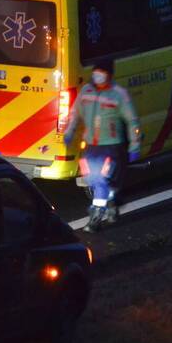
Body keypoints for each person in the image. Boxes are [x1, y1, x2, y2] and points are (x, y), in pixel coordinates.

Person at [63, 59, 141, 232]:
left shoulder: (119, 94)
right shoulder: (86, 91)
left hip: (111, 146)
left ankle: (95, 218)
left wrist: (134, 146)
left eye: (102, 72)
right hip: (91, 145)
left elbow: (132, 121)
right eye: (96, 71)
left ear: (109, 74)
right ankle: (112, 200)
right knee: (91, 179)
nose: (97, 75)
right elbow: (75, 112)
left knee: (99, 179)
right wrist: (69, 131)